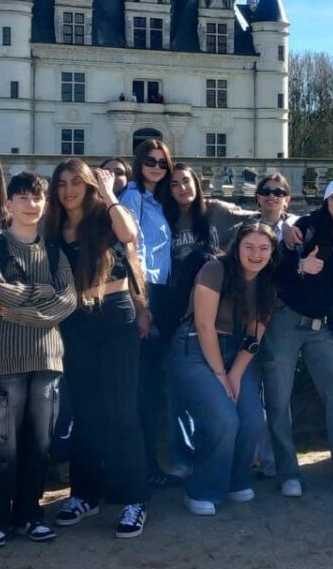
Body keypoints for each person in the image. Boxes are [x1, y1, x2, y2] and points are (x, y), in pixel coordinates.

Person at [46, 159, 152, 538]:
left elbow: (129, 234)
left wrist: (108, 192)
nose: (68, 190)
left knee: (123, 412)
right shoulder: (53, 228)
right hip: (75, 319)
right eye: (62, 183)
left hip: (115, 313)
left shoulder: (106, 218)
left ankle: (134, 499)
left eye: (76, 182)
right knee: (85, 412)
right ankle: (85, 494)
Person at [0, 171, 77, 548]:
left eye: (37, 198)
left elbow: (68, 300)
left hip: (47, 359)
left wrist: (20, 311)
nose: (31, 205)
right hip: (2, 360)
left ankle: (30, 515)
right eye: (23, 198)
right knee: (0, 447)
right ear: (9, 204)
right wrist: (42, 293)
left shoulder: (54, 252)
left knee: (39, 446)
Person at [261, 178, 333, 500]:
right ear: (325, 200)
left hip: (319, 327)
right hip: (284, 321)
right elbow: (273, 270)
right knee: (278, 400)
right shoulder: (304, 227)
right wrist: (300, 266)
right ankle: (287, 473)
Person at [172, 223, 279, 515]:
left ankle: (235, 479)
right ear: (237, 247)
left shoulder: (267, 283)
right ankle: (201, 488)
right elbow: (204, 325)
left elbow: (254, 336)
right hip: (195, 348)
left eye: (264, 248)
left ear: (272, 252)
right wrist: (221, 375)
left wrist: (235, 375)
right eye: (249, 247)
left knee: (252, 417)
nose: (256, 254)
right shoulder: (215, 269)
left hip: (236, 353)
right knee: (224, 418)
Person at [118, 140, 179, 483]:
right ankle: (144, 468)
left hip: (159, 293)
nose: (156, 167)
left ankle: (147, 465)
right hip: (145, 293)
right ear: (138, 163)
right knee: (144, 388)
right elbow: (131, 253)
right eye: (150, 161)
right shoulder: (133, 197)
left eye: (162, 163)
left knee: (151, 384)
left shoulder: (156, 199)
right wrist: (142, 305)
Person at [251, 173, 300, 241]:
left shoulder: (296, 226)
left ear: (287, 200)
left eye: (278, 192)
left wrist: (287, 224)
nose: (271, 195)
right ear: (258, 197)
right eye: (266, 191)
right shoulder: (244, 227)